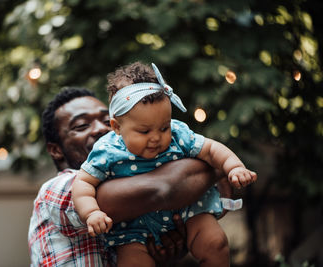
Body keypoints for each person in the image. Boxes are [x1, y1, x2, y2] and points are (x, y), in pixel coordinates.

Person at [72, 62, 257, 267]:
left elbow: (211, 149)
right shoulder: (107, 150)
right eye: (144, 131)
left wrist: (235, 167)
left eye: (163, 127)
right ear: (116, 126)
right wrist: (92, 212)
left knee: (216, 243)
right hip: (134, 229)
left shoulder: (178, 134)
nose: (156, 138)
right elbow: (83, 183)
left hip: (189, 212)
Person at [28, 87, 232, 267]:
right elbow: (165, 188)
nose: (101, 129)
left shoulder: (130, 177)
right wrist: (220, 167)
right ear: (55, 150)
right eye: (81, 126)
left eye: (106, 121)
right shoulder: (57, 188)